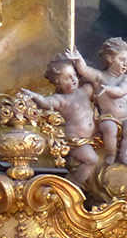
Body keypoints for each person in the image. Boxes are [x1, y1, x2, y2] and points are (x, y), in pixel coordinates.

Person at [21, 52, 99, 186]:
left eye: (74, 75)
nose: (73, 80)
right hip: (76, 141)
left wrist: (80, 63)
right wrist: (34, 95)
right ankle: (73, 184)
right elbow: (45, 102)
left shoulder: (84, 91)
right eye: (68, 78)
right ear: (58, 83)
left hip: (93, 138)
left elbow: (95, 80)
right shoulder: (60, 99)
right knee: (91, 160)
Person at [74, 39, 127, 167]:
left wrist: (108, 89)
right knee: (109, 129)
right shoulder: (100, 77)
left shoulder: (125, 79)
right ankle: (111, 153)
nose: (125, 64)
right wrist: (77, 57)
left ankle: (124, 154)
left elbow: (121, 91)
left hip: (126, 116)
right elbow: (84, 70)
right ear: (110, 59)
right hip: (108, 116)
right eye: (122, 59)